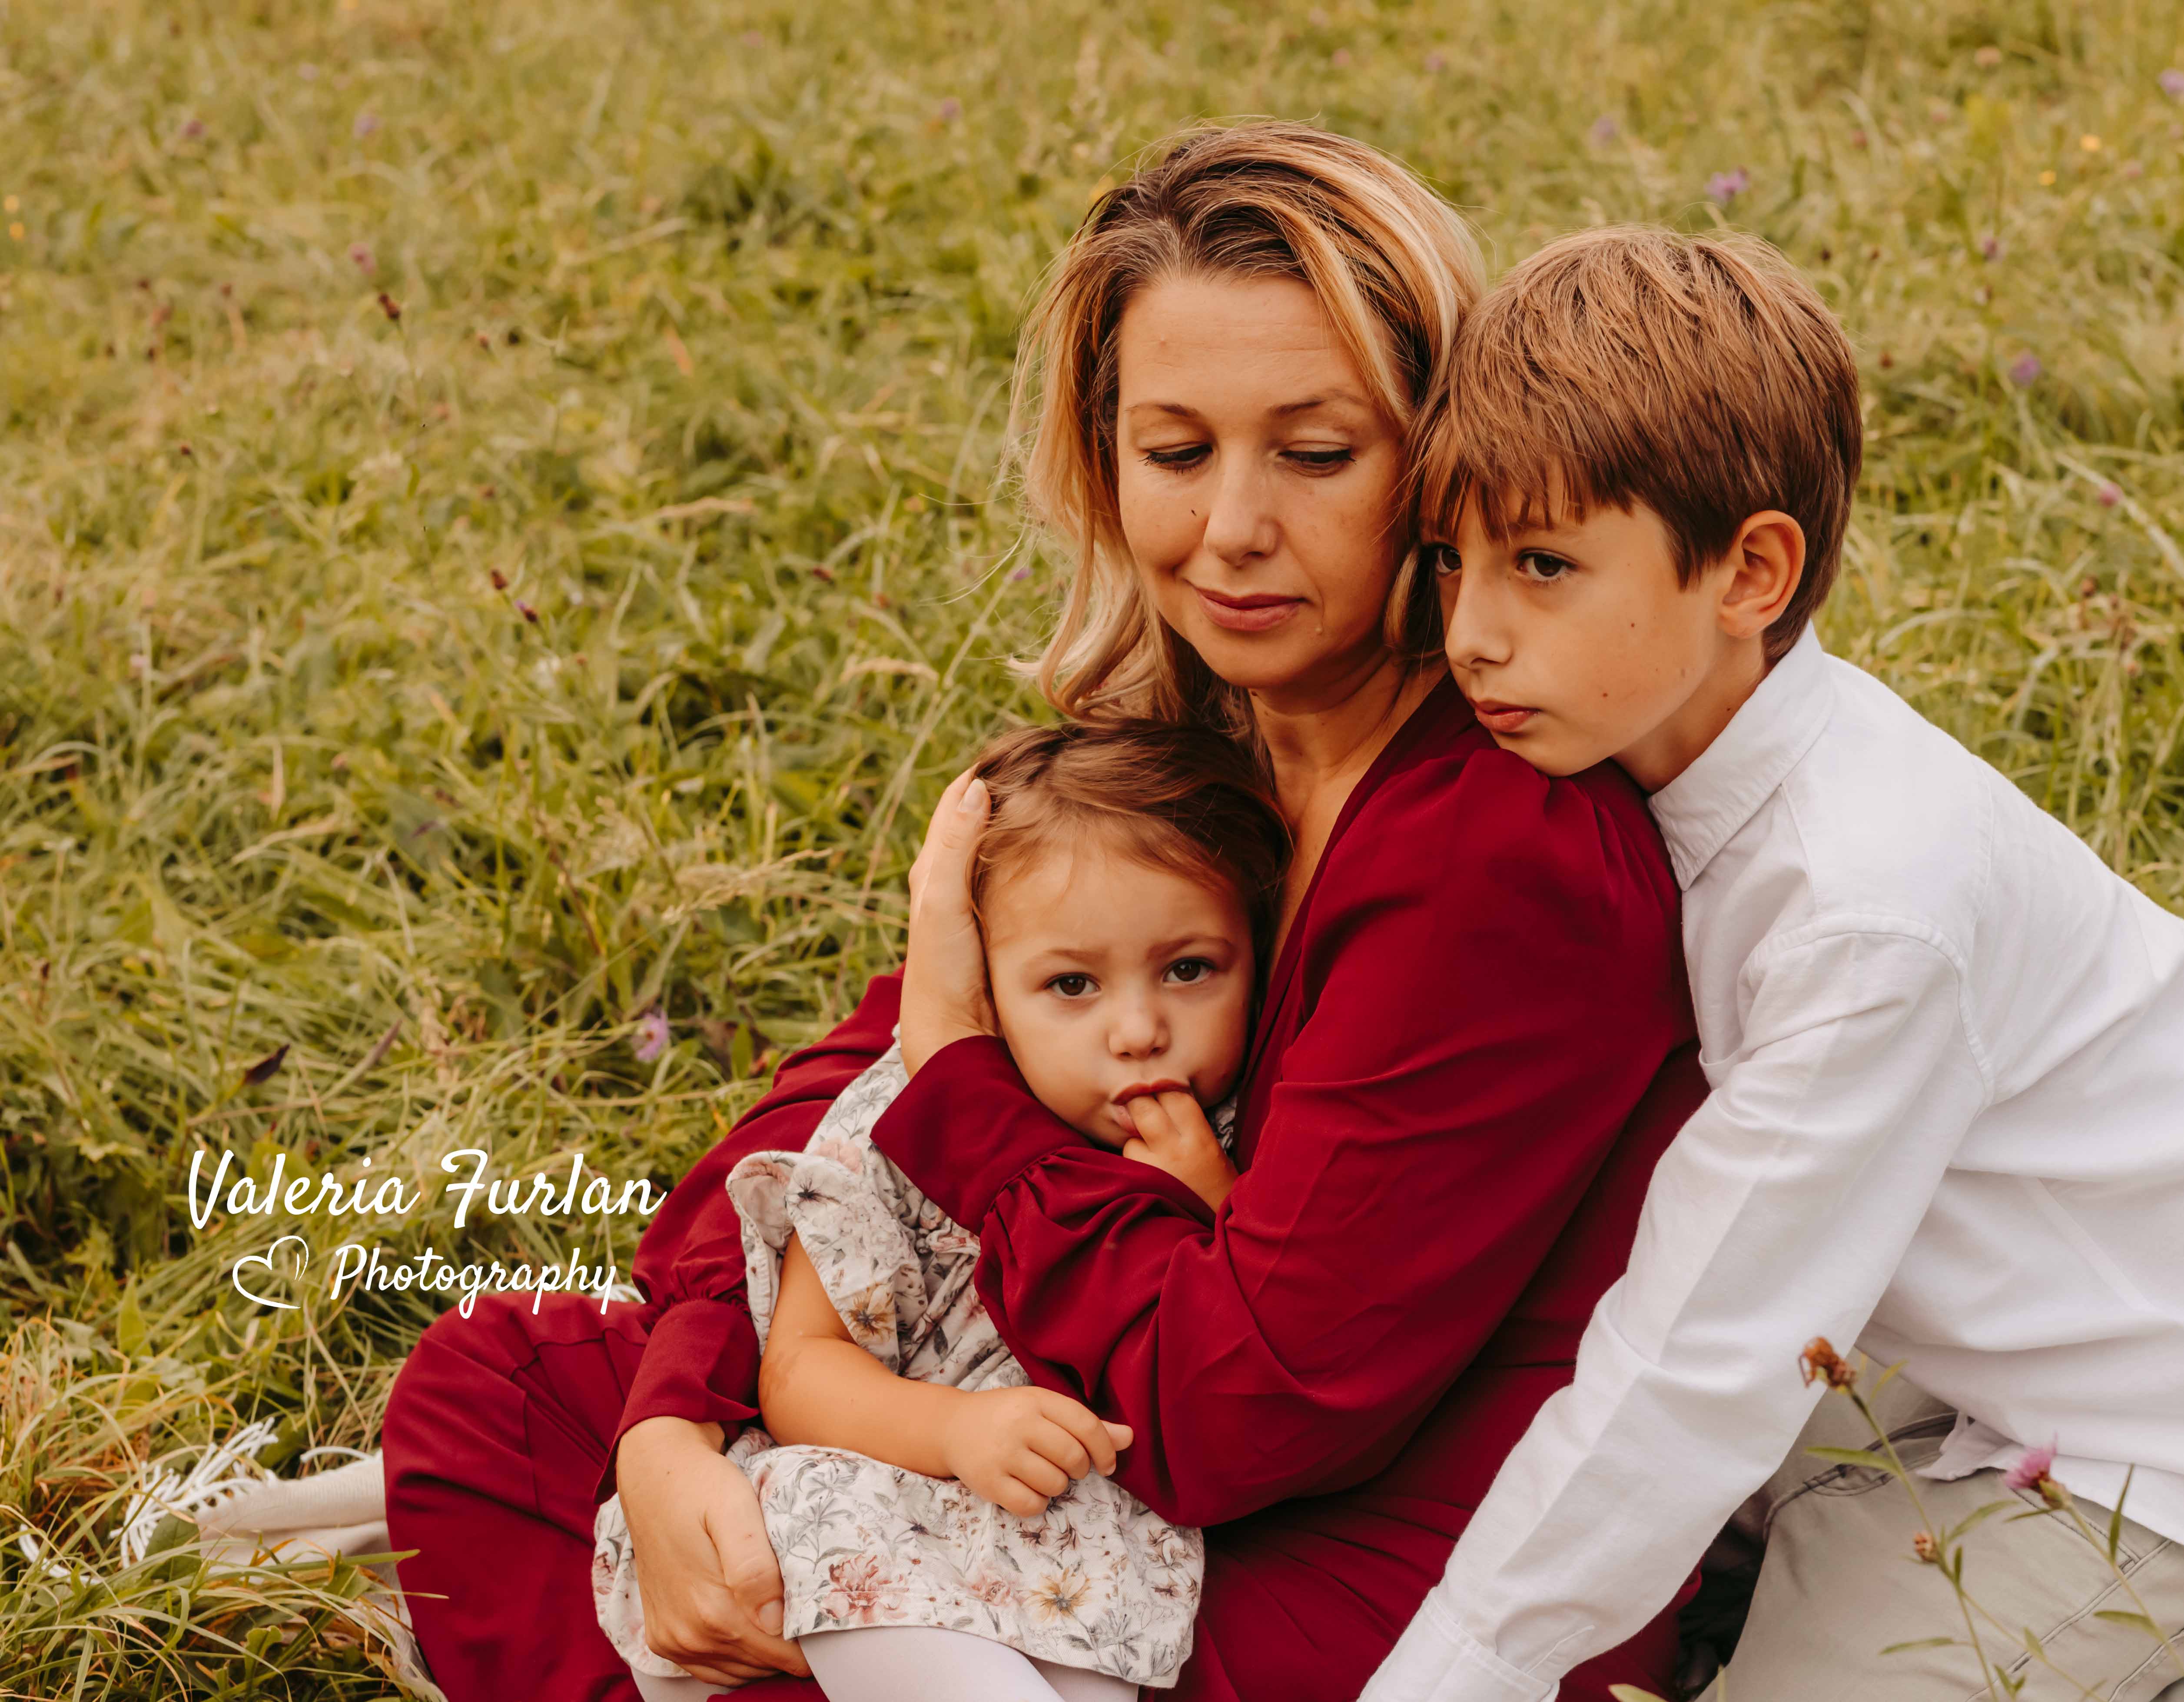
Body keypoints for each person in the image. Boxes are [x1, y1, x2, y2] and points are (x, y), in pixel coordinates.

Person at [383, 123, 1708, 1702]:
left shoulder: (1499, 848)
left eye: (1315, 450)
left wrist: (961, 1085)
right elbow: (849, 1091)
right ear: (1106, 459)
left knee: (684, 1540)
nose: (1230, 530)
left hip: (1373, 1586)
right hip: (1087, 1445)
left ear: (1437, 466)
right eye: (1175, 452)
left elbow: (1237, 1411)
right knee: (506, 1389)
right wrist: (674, 1422)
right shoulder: (1184, 748)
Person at [1359, 224, 2184, 1702]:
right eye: (1449, 559)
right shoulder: (1664, 752)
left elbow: (1698, 1358)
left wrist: (1444, 1679)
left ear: (1751, 573)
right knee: (1697, 1521)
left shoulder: (1864, 903)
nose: (1469, 631)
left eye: (1541, 565)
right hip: (2013, 1322)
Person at [591, 720, 1291, 1701]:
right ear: (985, 991)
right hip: (890, 1496)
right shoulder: (905, 1122)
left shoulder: (1249, 1119)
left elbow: (1245, 1319)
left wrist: (1212, 1199)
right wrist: (959, 1430)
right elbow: (797, 1367)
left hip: (1082, 1543)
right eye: (1072, 984)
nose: (1138, 1031)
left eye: (1189, 968)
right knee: (836, 1528)